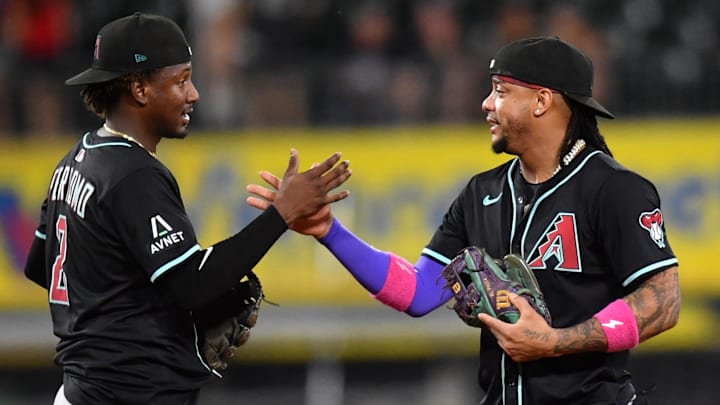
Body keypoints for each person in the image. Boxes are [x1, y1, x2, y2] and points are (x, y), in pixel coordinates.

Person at [246, 36, 680, 404]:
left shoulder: (613, 188)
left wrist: (554, 343)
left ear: (542, 101)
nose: (486, 103)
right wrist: (328, 231)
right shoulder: (481, 193)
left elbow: (663, 302)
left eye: (501, 90)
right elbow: (417, 292)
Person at [23, 12, 351, 405]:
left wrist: (137, 308)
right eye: (180, 81)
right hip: (125, 395)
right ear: (140, 89)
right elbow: (193, 285)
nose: (194, 94)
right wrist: (282, 213)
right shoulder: (133, 174)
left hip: (83, 390)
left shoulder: (75, 160)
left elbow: (40, 264)